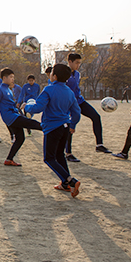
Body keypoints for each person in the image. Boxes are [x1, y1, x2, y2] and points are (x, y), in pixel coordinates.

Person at [24, 64, 82, 197]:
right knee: (60, 155)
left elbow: (38, 108)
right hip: (65, 128)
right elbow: (77, 112)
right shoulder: (69, 92)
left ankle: (71, 181)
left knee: (49, 158)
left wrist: (27, 107)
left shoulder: (49, 89)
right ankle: (65, 184)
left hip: (53, 128)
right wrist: (72, 125)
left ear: (54, 76)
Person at [0, 68, 43, 166]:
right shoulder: (0, 90)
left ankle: (9, 159)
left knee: (20, 138)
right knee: (31, 123)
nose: (13, 79)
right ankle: (50, 128)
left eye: (13, 77)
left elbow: (11, 104)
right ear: (4, 78)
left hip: (14, 115)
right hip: (10, 117)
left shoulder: (8, 89)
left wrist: (19, 109)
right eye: (11, 77)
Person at [65, 53, 111, 162]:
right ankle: (68, 153)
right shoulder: (64, 74)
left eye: (79, 63)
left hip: (79, 101)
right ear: (70, 62)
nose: (78, 65)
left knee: (96, 116)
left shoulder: (77, 74)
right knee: (69, 125)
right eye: (77, 63)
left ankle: (99, 144)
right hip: (68, 104)